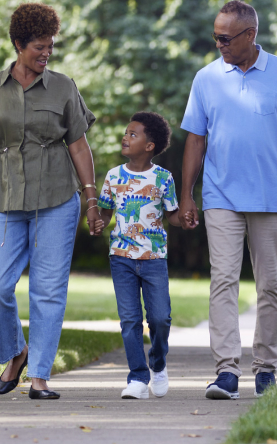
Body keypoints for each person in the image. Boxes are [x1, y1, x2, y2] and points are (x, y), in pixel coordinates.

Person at [0, 3, 100, 400]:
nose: (46, 53)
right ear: (18, 44)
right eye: (38, 46)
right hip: (4, 199)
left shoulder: (64, 87)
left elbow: (80, 146)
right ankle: (16, 351)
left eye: (50, 46)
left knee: (48, 289)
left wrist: (90, 199)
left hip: (56, 198)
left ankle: (39, 377)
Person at [179, 0, 277, 400]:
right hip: (220, 195)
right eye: (216, 37)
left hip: (271, 196)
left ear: (250, 35)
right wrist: (186, 195)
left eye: (226, 38)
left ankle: (266, 368)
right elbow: (195, 139)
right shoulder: (206, 78)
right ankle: (226, 371)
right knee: (222, 281)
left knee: (270, 286)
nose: (219, 44)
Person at [93, 112, 182, 399]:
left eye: (133, 134)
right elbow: (105, 214)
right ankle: (137, 378)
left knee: (160, 318)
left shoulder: (163, 178)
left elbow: (173, 216)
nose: (125, 137)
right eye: (126, 133)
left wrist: (187, 219)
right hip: (121, 257)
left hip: (154, 259)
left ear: (149, 145)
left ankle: (157, 365)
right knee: (129, 319)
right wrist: (96, 221)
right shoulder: (114, 176)